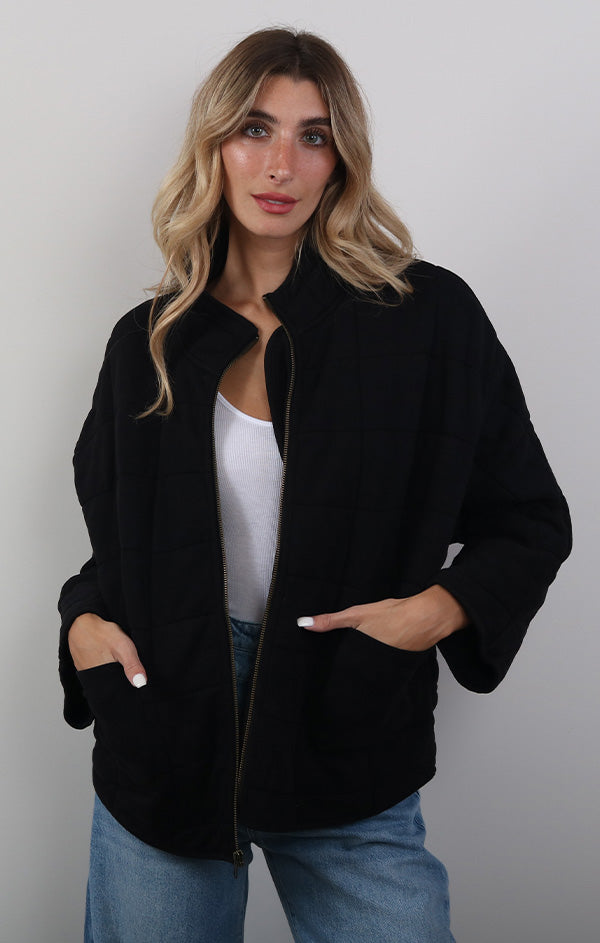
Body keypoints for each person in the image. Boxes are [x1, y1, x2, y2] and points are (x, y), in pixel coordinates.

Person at [58, 26, 572, 943]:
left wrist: (437, 611)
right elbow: (120, 544)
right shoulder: (151, 341)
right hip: (165, 734)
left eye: (314, 136)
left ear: (342, 161)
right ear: (214, 145)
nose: (280, 165)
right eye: (254, 129)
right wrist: (82, 624)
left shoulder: (427, 319)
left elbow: (529, 517)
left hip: (347, 722)